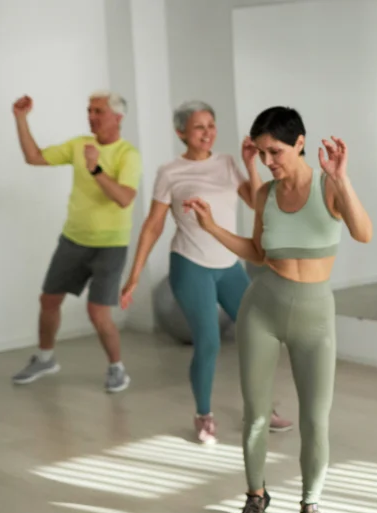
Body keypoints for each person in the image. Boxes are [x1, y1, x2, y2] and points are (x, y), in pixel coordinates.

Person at [184, 107, 374, 513]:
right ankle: (255, 496)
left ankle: (311, 506)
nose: (269, 160)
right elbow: (256, 251)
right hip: (262, 309)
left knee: (315, 419)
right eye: (262, 151)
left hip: (315, 317)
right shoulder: (265, 194)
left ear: (300, 142)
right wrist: (211, 226)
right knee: (255, 416)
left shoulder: (328, 185)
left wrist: (342, 177)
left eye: (277, 151)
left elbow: (363, 233)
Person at [120, 101, 291, 444]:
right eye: (199, 127)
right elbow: (153, 226)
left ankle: (260, 408)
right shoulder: (170, 173)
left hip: (229, 265)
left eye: (211, 125)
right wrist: (135, 275)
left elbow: (258, 204)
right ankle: (203, 415)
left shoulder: (228, 163)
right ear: (181, 131)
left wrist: (249, 165)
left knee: (259, 334)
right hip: (190, 265)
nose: (207, 132)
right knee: (209, 341)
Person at [10, 91, 141, 392]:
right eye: (89, 111)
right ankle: (45, 359)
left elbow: (124, 198)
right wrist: (21, 119)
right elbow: (34, 157)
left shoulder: (128, 155)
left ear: (117, 118)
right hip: (73, 239)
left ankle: (117, 368)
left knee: (97, 312)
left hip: (110, 245)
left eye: (98, 111)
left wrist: (96, 169)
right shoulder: (80, 145)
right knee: (49, 300)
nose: (91, 116)